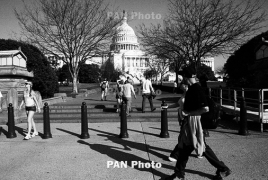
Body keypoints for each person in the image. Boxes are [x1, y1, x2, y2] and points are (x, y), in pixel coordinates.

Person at [165, 66, 231, 180]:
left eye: (183, 76)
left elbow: (205, 108)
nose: (182, 78)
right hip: (190, 121)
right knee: (188, 147)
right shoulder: (191, 89)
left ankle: (222, 168)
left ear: (188, 76)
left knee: (197, 146)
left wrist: (188, 114)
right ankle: (179, 173)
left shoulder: (196, 89)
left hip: (194, 121)